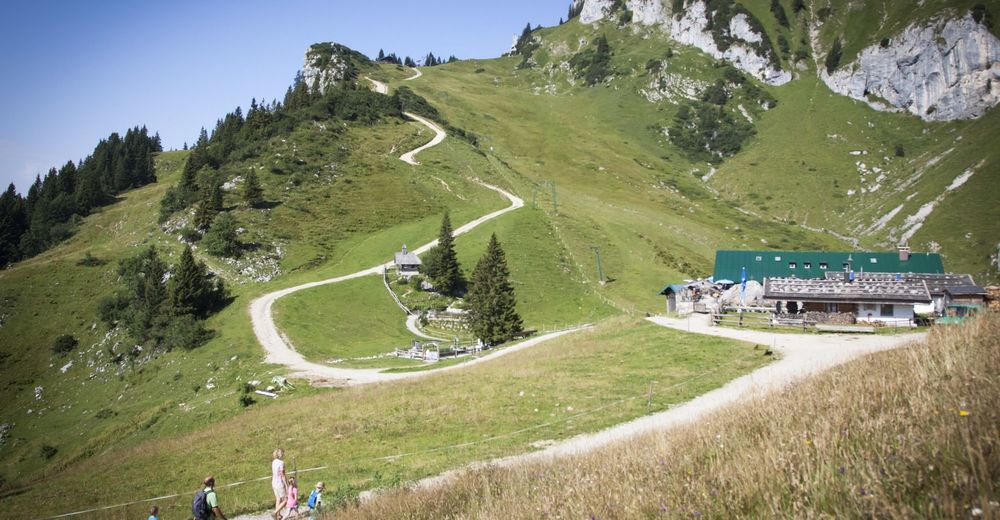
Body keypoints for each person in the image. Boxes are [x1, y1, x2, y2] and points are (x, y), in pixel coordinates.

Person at [272, 448, 288, 520]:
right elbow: (282, 474)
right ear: (278, 454)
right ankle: (275, 512)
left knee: (278, 499)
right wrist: (286, 485)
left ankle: (278, 515)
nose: (283, 454)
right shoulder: (281, 463)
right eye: (282, 453)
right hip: (280, 483)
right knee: (285, 500)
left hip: (274, 482)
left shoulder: (274, 461)